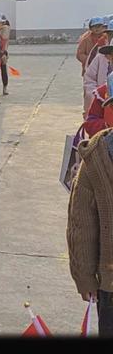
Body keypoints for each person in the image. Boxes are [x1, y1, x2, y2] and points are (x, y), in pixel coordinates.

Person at [66, 124, 113, 336]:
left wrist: (84, 276)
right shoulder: (97, 156)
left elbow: (81, 224)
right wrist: (84, 275)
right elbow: (83, 223)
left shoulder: (99, 152)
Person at [83, 22, 113, 119]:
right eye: (110, 34)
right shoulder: (100, 55)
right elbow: (89, 78)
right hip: (101, 105)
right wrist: (95, 97)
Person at [0, 14, 11, 96]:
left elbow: (6, 41)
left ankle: (5, 87)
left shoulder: (5, 29)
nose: (3, 25)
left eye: (4, 23)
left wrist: (5, 53)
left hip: (3, 52)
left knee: (3, 71)